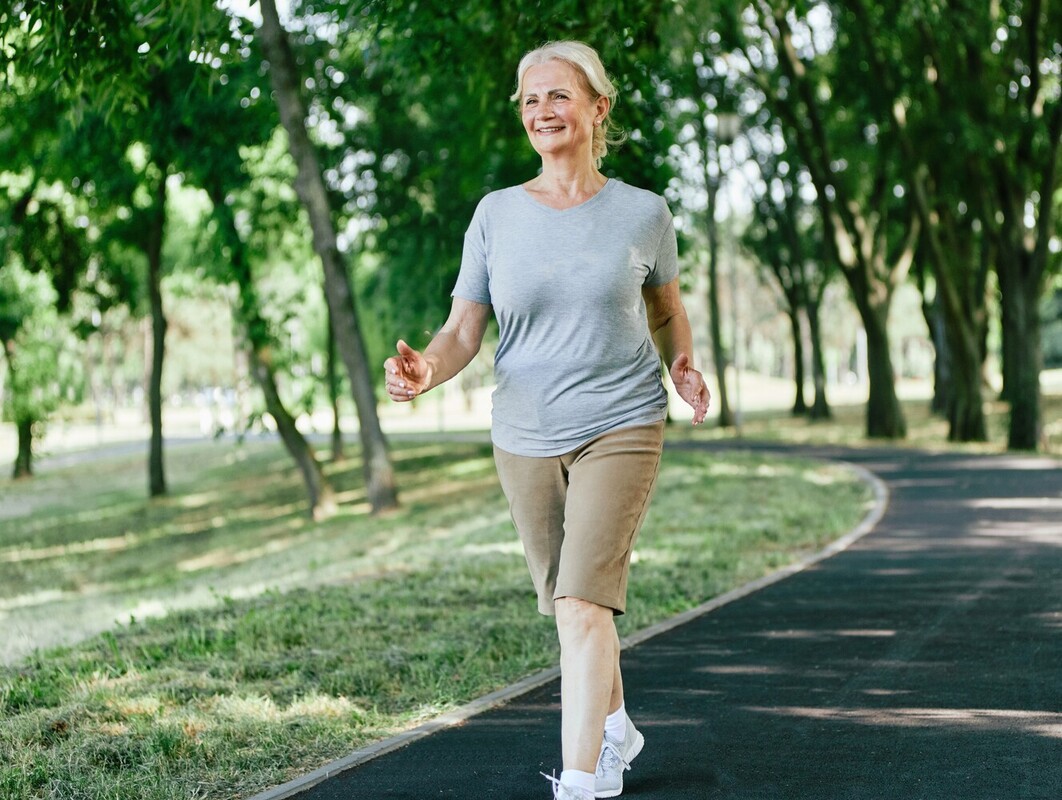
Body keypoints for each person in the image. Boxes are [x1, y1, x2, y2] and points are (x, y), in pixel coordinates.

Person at [384, 40, 710, 800]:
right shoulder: (496, 215)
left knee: (580, 602)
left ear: (598, 107)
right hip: (524, 434)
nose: (542, 111)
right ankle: (617, 725)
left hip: (622, 421)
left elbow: (667, 313)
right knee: (571, 607)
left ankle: (580, 780)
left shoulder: (643, 212)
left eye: (558, 96)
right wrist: (428, 369)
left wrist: (683, 364)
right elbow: (464, 329)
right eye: (530, 101)